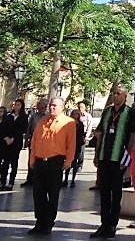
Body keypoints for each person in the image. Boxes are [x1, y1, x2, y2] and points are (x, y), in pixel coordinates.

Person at [91, 85, 135, 239]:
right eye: (114, 93)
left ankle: (112, 225)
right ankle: (103, 224)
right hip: (105, 156)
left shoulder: (130, 113)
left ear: (125, 97)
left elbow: (132, 135)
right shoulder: (107, 112)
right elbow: (100, 133)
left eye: (118, 94)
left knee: (116, 193)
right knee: (104, 192)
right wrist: (96, 154)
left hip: (118, 158)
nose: (115, 96)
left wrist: (127, 156)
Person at [28, 96, 76, 235]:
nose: (52, 107)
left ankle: (48, 223)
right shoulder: (42, 121)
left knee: (53, 194)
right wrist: (32, 160)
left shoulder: (68, 122)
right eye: (51, 105)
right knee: (38, 193)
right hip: (40, 161)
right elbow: (35, 141)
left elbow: (71, 144)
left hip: (56, 161)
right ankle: (39, 221)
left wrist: (68, 162)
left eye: (55, 105)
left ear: (62, 107)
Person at [1, 98, 29, 190]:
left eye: (18, 105)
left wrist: (13, 138)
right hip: (6, 143)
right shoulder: (8, 116)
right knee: (5, 163)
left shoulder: (24, 117)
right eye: (15, 105)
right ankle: (3, 182)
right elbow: (3, 128)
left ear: (21, 106)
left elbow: (22, 129)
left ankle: (11, 182)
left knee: (14, 163)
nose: (16, 107)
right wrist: (6, 138)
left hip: (16, 143)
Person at [21, 99, 48, 187]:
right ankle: (30, 179)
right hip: (34, 141)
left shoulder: (48, 116)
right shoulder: (34, 116)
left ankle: (40, 180)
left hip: (45, 142)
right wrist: (27, 139)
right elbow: (29, 128)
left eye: (40, 104)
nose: (38, 106)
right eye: (38, 104)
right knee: (31, 160)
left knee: (42, 161)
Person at [63, 109, 85, 188]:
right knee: (67, 162)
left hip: (77, 146)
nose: (75, 115)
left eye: (77, 114)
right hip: (68, 146)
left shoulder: (80, 124)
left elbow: (82, 135)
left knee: (74, 163)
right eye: (74, 113)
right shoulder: (67, 123)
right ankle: (65, 179)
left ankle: (73, 180)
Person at [77, 101, 93, 168]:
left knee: (81, 150)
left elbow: (89, 126)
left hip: (83, 135)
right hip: (75, 134)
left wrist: (87, 136)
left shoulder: (88, 116)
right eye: (79, 107)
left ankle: (80, 164)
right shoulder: (76, 114)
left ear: (84, 108)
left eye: (81, 107)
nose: (80, 108)